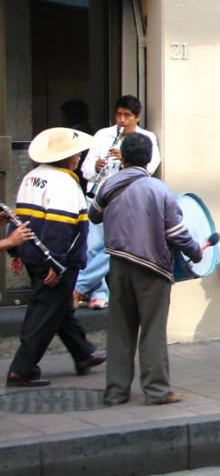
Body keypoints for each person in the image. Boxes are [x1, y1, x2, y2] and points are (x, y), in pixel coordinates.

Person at [88, 132, 201, 405]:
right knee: (152, 330)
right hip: (152, 268)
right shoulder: (160, 190)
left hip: (117, 265)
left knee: (119, 331)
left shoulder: (109, 185)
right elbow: (177, 233)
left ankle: (115, 392)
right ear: (149, 160)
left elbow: (93, 215)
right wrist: (195, 251)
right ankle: (157, 391)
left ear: (123, 157)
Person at [6, 127, 106, 387]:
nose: (80, 158)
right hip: (56, 260)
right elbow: (60, 229)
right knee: (45, 311)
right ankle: (22, 368)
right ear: (68, 157)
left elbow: (17, 219)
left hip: (32, 254)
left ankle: (82, 353)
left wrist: (15, 251)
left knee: (57, 306)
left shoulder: (31, 177)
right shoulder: (65, 182)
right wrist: (57, 263)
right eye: (77, 154)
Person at [75, 95, 161, 310]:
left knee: (111, 246)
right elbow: (85, 171)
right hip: (98, 196)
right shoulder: (103, 135)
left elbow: (148, 169)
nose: (122, 120)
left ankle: (80, 287)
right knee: (92, 247)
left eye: (127, 116)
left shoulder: (146, 138)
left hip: (125, 199)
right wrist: (96, 166)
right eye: (119, 114)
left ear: (137, 117)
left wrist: (124, 158)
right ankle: (99, 293)